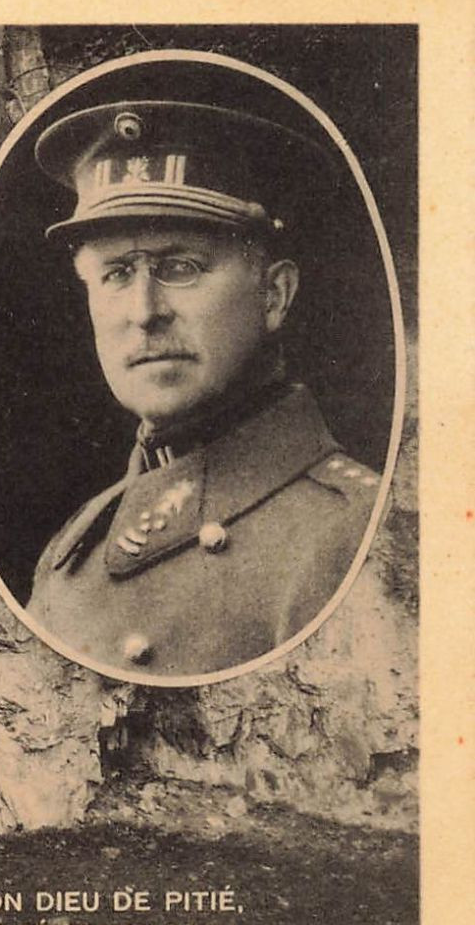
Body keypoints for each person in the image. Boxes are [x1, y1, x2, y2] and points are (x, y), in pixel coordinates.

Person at [24, 97, 381, 677]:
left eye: (180, 267)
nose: (144, 312)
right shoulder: (73, 553)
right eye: (116, 274)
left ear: (275, 295)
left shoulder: (356, 533)